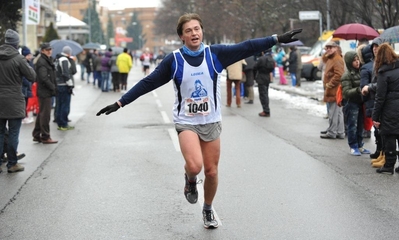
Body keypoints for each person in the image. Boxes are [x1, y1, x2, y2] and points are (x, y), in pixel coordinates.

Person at [96, 13, 302, 228]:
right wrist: (121, 103)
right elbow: (149, 82)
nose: (194, 33)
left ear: (202, 31)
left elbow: (247, 46)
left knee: (211, 172)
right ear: (181, 36)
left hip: (211, 121)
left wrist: (276, 39)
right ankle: (190, 180)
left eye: (197, 29)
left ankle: (207, 209)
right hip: (186, 121)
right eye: (188, 30)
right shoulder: (173, 60)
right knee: (195, 166)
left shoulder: (216, 54)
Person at [0, 29, 36, 173]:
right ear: (16, 43)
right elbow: (32, 76)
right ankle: (12, 164)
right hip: (14, 99)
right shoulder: (18, 58)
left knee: (0, 132)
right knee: (14, 132)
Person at [372, 43, 399, 174]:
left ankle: (389, 165)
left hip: (390, 108)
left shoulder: (383, 72)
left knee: (389, 136)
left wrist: (375, 116)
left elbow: (380, 97)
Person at [360, 37, 385, 163]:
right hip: (374, 99)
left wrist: (369, 87)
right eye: (373, 47)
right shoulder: (373, 64)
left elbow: (381, 83)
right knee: (378, 129)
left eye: (377, 46)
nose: (375, 49)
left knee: (385, 130)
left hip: (383, 100)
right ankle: (381, 152)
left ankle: (385, 155)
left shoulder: (386, 63)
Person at [341, 50, 370, 156]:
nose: (357, 62)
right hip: (351, 103)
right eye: (354, 60)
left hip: (360, 102)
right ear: (349, 62)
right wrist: (358, 89)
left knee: (360, 125)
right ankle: (353, 146)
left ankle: (360, 145)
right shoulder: (346, 75)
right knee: (352, 125)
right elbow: (346, 92)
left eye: (358, 59)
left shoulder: (361, 71)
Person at [32, 42, 58, 144]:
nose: (49, 51)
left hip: (46, 91)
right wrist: (52, 87)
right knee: (45, 115)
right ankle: (45, 136)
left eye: (50, 49)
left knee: (42, 113)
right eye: (47, 50)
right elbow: (43, 78)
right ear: (42, 51)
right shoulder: (42, 61)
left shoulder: (47, 60)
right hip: (44, 91)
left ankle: (36, 134)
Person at [320, 41, 345, 139]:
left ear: (336, 48)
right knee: (337, 112)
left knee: (333, 112)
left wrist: (330, 84)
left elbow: (339, 74)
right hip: (333, 89)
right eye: (327, 47)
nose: (328, 49)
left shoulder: (337, 59)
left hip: (334, 90)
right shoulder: (331, 58)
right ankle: (339, 131)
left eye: (331, 47)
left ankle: (332, 131)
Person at [55, 46, 75, 131]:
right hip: (64, 85)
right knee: (64, 105)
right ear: (68, 52)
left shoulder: (57, 59)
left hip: (58, 85)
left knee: (59, 105)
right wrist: (70, 85)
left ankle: (60, 122)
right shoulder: (64, 60)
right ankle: (63, 123)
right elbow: (66, 73)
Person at [254, 50, 275, 117]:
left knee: (263, 95)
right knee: (266, 93)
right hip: (267, 77)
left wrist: (255, 76)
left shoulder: (261, 59)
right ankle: (266, 109)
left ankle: (266, 110)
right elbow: (272, 68)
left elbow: (255, 67)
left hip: (261, 77)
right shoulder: (271, 59)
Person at [21, 46, 34, 124]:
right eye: (29, 55)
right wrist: (29, 83)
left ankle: (25, 116)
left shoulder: (29, 63)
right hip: (24, 87)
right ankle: (24, 117)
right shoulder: (23, 63)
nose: (30, 56)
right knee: (24, 103)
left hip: (27, 87)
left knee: (26, 102)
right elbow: (23, 77)